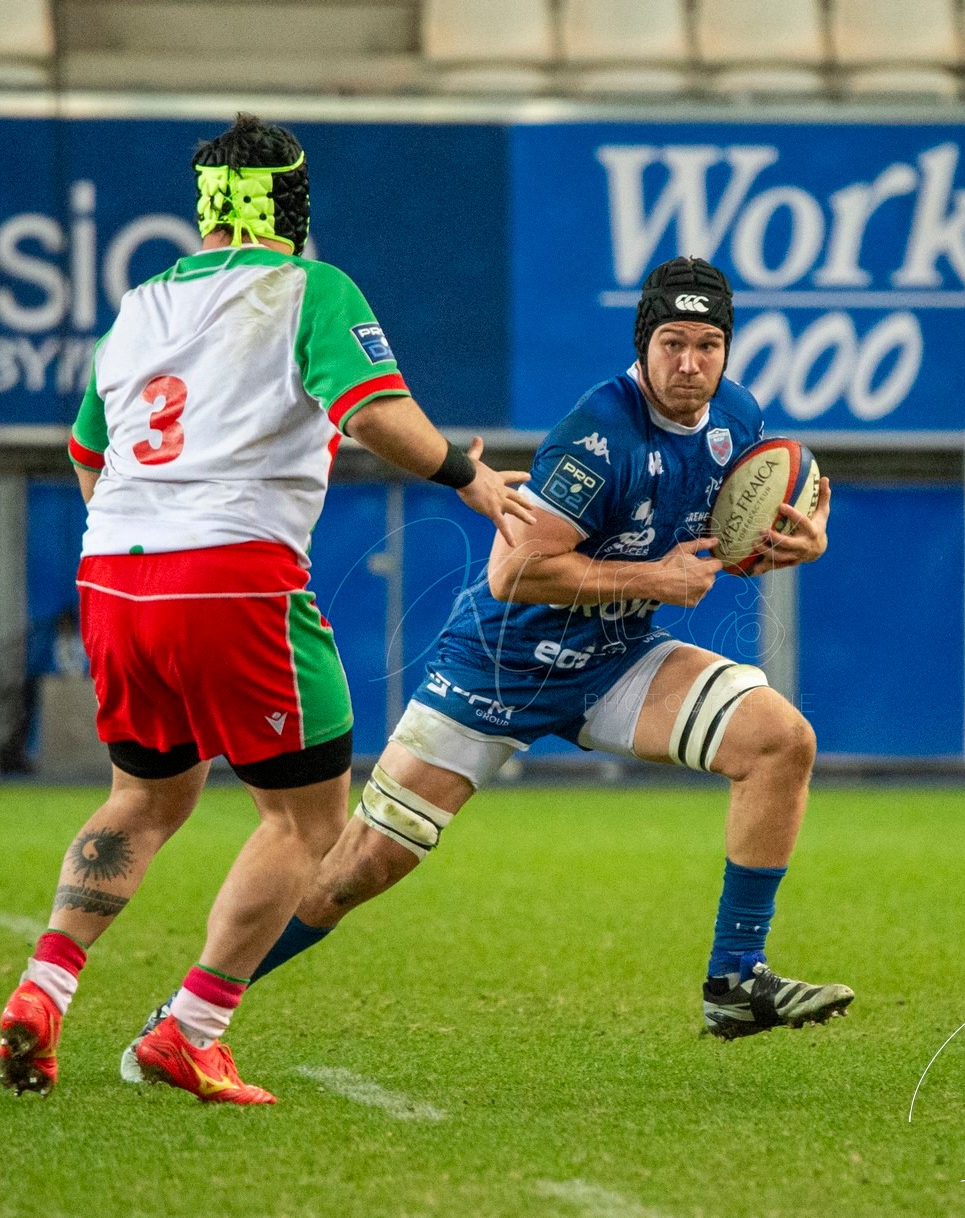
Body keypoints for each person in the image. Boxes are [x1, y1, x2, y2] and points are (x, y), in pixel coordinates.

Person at [120, 254, 849, 1078]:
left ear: (728, 350)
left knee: (779, 740)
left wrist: (801, 540)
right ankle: (184, 1021)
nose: (690, 363)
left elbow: (750, 521)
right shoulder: (597, 433)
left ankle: (734, 981)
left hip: (612, 658)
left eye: (708, 344)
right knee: (353, 872)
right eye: (672, 342)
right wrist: (655, 580)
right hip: (501, 665)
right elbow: (515, 573)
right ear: (642, 344)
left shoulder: (738, 419)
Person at [0, 114, 532, 1105]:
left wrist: (142, 543)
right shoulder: (309, 290)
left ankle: (44, 985)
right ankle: (192, 1030)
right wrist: (470, 478)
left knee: (144, 798)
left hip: (114, 575)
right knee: (308, 820)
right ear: (295, 202)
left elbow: (85, 453)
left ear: (206, 207)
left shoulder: (139, 304)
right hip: (233, 578)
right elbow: (370, 411)